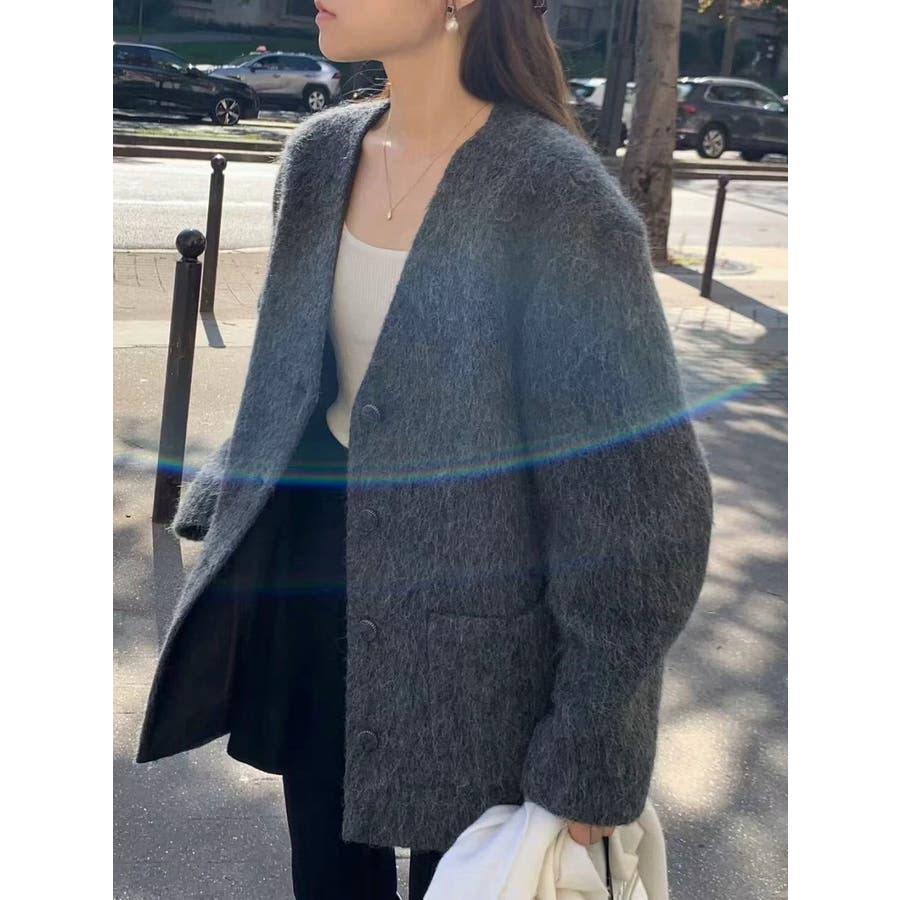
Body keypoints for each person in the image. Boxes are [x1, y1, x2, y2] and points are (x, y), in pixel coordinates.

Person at [135, 1, 714, 898]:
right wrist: (230, 494)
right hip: (313, 592)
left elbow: (639, 502)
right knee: (326, 875)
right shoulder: (319, 156)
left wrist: (596, 741)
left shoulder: (553, 194)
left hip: (485, 644)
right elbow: (291, 374)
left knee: (477, 880)